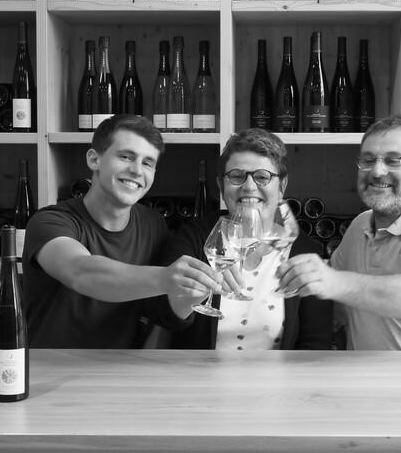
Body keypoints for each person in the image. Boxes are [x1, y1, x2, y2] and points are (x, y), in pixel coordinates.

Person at [277, 115, 401, 351]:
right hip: (362, 375)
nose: (378, 171)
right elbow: (334, 306)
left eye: (393, 160)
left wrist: (334, 282)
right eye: (368, 160)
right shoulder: (360, 226)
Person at [22, 115, 222, 348]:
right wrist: (166, 278)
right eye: (126, 157)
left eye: (148, 163)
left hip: (122, 366)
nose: (137, 170)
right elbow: (80, 272)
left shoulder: (153, 224)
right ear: (94, 159)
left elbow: (157, 313)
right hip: (49, 365)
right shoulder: (50, 222)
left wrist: (191, 291)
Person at [146, 128, 334, 350]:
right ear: (221, 186)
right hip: (200, 372)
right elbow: (162, 316)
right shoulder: (193, 239)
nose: (249, 186)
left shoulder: (305, 252)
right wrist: (190, 294)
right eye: (236, 176)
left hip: (278, 373)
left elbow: (316, 343)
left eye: (262, 177)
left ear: (281, 187)